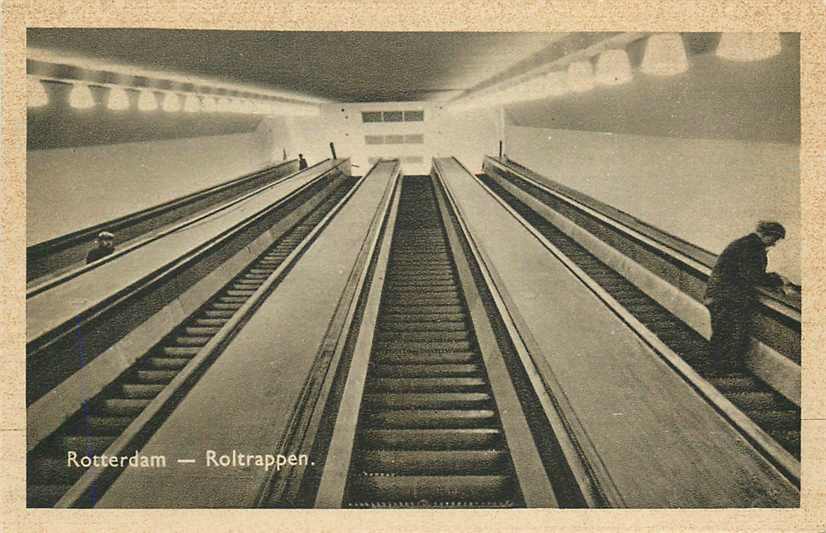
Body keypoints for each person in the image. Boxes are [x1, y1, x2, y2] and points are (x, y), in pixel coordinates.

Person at [703, 221, 790, 371]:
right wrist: (776, 279)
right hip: (727, 298)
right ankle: (717, 369)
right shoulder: (753, 248)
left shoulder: (743, 243)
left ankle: (718, 367)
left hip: (718, 295)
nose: (774, 244)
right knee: (726, 333)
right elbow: (752, 276)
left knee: (723, 332)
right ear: (766, 234)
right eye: (774, 240)